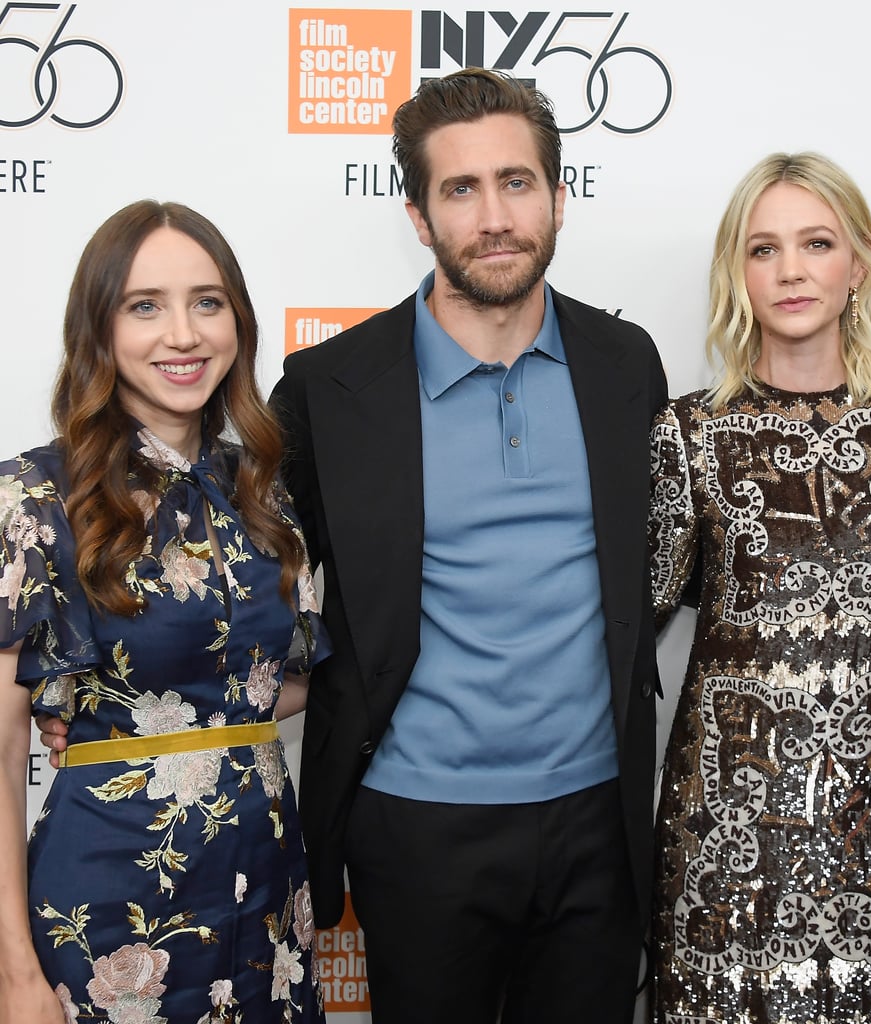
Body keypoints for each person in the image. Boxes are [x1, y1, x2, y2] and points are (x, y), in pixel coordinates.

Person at [268, 68, 667, 1023]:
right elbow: (246, 591)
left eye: (516, 182)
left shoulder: (627, 365)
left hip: (599, 819)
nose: (494, 216)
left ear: (559, 197)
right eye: (460, 189)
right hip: (414, 824)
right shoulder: (330, 389)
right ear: (416, 214)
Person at [3, 201, 327, 1023]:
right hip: (109, 904)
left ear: (237, 323)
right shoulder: (36, 499)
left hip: (266, 893)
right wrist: (15, 976)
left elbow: (269, 688)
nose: (182, 334)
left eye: (207, 302)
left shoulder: (262, 492)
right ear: (99, 329)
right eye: (145, 305)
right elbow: (0, 755)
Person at [649, 152, 871, 1023]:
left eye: (816, 243)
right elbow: (633, 615)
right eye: (763, 249)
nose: (792, 269)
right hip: (722, 830)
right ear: (737, 272)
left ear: (860, 267)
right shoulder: (687, 431)